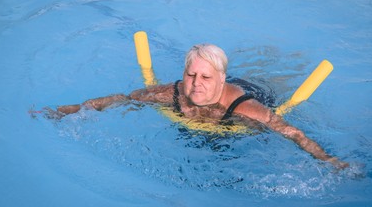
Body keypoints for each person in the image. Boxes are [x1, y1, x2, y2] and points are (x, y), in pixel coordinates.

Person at [54, 44, 348, 169]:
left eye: (205, 77)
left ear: (220, 80)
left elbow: (292, 133)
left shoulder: (245, 108)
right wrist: (74, 109)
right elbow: (123, 98)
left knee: (274, 79)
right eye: (190, 75)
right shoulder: (170, 93)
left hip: (256, 93)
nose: (196, 84)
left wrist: (328, 160)